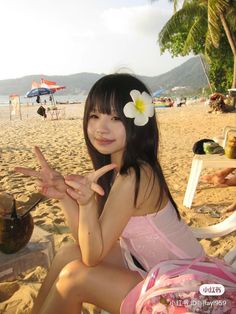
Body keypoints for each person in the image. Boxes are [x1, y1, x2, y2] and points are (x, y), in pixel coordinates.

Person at [15, 74, 204, 314]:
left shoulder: (135, 176)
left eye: (115, 118)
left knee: (75, 279)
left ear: (137, 122)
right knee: (68, 254)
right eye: (94, 115)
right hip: (150, 267)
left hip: (186, 287)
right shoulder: (118, 169)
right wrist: (64, 196)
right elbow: (87, 244)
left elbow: (93, 256)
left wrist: (86, 205)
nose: (101, 128)